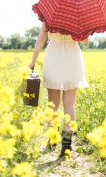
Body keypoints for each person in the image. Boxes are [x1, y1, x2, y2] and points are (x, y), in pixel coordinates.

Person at [28, 22, 89, 158]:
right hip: (73, 57)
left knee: (53, 104)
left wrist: (32, 62)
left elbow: (41, 38)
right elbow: (85, 41)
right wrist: (81, 30)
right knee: (70, 104)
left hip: (53, 57)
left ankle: (52, 139)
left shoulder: (50, 14)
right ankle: (66, 146)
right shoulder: (78, 15)